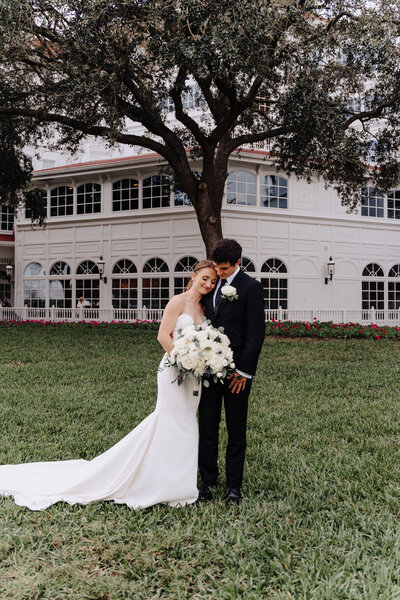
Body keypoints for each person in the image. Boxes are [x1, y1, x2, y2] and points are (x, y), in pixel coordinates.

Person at [0, 260, 217, 511]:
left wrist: (199, 364)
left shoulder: (204, 306)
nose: (208, 284)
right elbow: (162, 335)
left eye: (212, 281)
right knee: (170, 421)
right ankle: (158, 482)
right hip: (173, 371)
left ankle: (180, 485)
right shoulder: (178, 301)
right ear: (194, 275)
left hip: (194, 376)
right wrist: (183, 362)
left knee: (188, 424)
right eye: (205, 278)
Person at [198, 239, 265, 504]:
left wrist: (244, 373)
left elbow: (256, 334)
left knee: (236, 430)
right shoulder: (210, 286)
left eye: (224, 268)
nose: (219, 272)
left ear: (238, 263)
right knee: (207, 427)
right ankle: (207, 481)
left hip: (238, 373)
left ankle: (234, 486)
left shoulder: (250, 287)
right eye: (216, 266)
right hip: (208, 370)